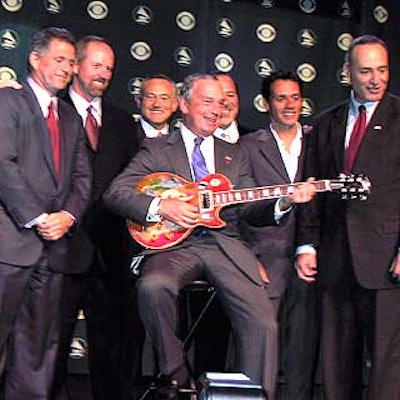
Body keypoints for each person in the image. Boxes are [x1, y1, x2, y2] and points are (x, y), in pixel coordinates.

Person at [103, 73, 316, 400]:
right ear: (184, 105)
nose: (216, 109)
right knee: (152, 286)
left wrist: (283, 201)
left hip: (226, 246)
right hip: (175, 247)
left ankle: (257, 397)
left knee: (264, 324)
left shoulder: (235, 153)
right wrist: (163, 205)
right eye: (207, 102)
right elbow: (115, 194)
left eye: (221, 103)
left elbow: (249, 208)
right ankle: (177, 376)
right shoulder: (159, 148)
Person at [296, 34, 400, 400]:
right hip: (335, 260)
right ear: (347, 73)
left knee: (388, 370)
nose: (375, 79)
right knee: (337, 367)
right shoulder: (326, 123)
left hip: (388, 262)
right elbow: (309, 187)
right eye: (366, 70)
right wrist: (306, 244)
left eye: (383, 70)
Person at [0, 27, 91, 399]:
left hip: (53, 251)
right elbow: (3, 164)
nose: (67, 68)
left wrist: (68, 216)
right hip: (10, 245)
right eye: (59, 59)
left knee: (38, 349)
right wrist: (38, 218)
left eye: (72, 62)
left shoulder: (70, 117)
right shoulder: (9, 102)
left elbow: (84, 177)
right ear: (35, 59)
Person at [54, 35, 141, 400]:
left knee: (109, 349)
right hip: (58, 251)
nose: (104, 73)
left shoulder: (123, 122)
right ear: (76, 65)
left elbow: (134, 183)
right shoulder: (52, 112)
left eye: (109, 67)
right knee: (52, 344)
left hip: (109, 256)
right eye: (96, 65)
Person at [240, 70, 318, 400]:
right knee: (260, 351)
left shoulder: (319, 139)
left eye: (295, 97)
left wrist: (310, 245)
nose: (290, 105)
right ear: (266, 103)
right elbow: (241, 208)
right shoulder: (247, 145)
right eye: (281, 98)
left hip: (310, 261)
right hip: (264, 259)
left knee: (301, 351)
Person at [213, 72, 254, 143]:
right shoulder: (194, 141)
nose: (225, 102)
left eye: (230, 95)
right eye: (217, 95)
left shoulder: (255, 140)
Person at [134, 74, 178, 139]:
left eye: (164, 98)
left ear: (175, 104)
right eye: (151, 97)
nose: (157, 104)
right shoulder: (122, 136)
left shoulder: (183, 141)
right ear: (139, 101)